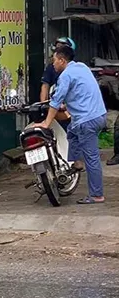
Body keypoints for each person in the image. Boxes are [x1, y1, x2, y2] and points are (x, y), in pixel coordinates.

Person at [35, 45, 107, 204]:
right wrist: (67, 106)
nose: (53, 64)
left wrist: (46, 123)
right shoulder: (81, 67)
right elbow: (83, 92)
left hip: (87, 120)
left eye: (54, 60)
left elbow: (55, 101)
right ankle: (77, 163)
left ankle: (96, 195)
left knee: (92, 158)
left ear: (62, 60)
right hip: (99, 115)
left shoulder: (65, 76)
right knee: (72, 133)